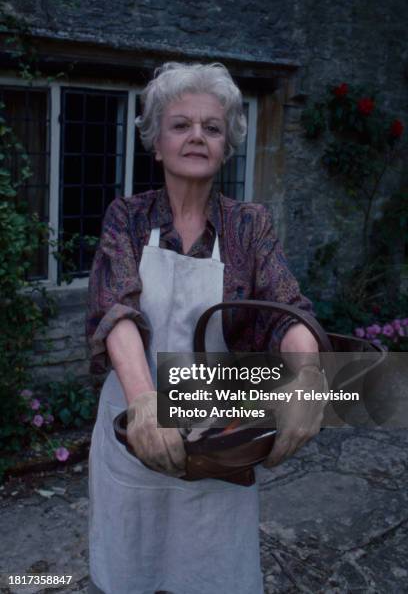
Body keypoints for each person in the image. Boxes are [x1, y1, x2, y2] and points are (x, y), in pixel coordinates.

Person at [86, 62, 326, 594]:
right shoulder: (127, 217)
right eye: (181, 124)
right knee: (131, 558)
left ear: (226, 145)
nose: (197, 136)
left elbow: (288, 309)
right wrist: (145, 402)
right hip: (134, 411)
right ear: (156, 142)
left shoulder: (250, 224)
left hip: (218, 419)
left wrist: (308, 375)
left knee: (212, 563)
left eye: (212, 127)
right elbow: (115, 309)